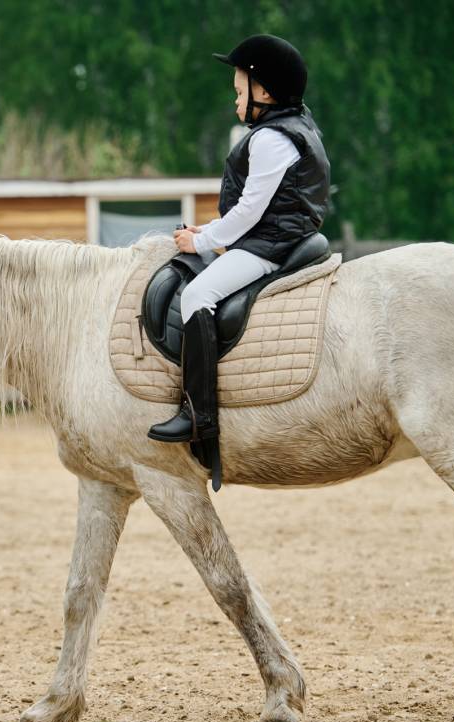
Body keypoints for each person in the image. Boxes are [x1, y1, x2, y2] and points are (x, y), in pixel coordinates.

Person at [148, 34, 331, 445]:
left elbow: (250, 210)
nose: (235, 102)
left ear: (263, 90)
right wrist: (209, 232)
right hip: (280, 236)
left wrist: (201, 242)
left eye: (239, 91)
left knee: (197, 295)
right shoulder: (298, 125)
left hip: (270, 247)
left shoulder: (271, 138)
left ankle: (198, 415)